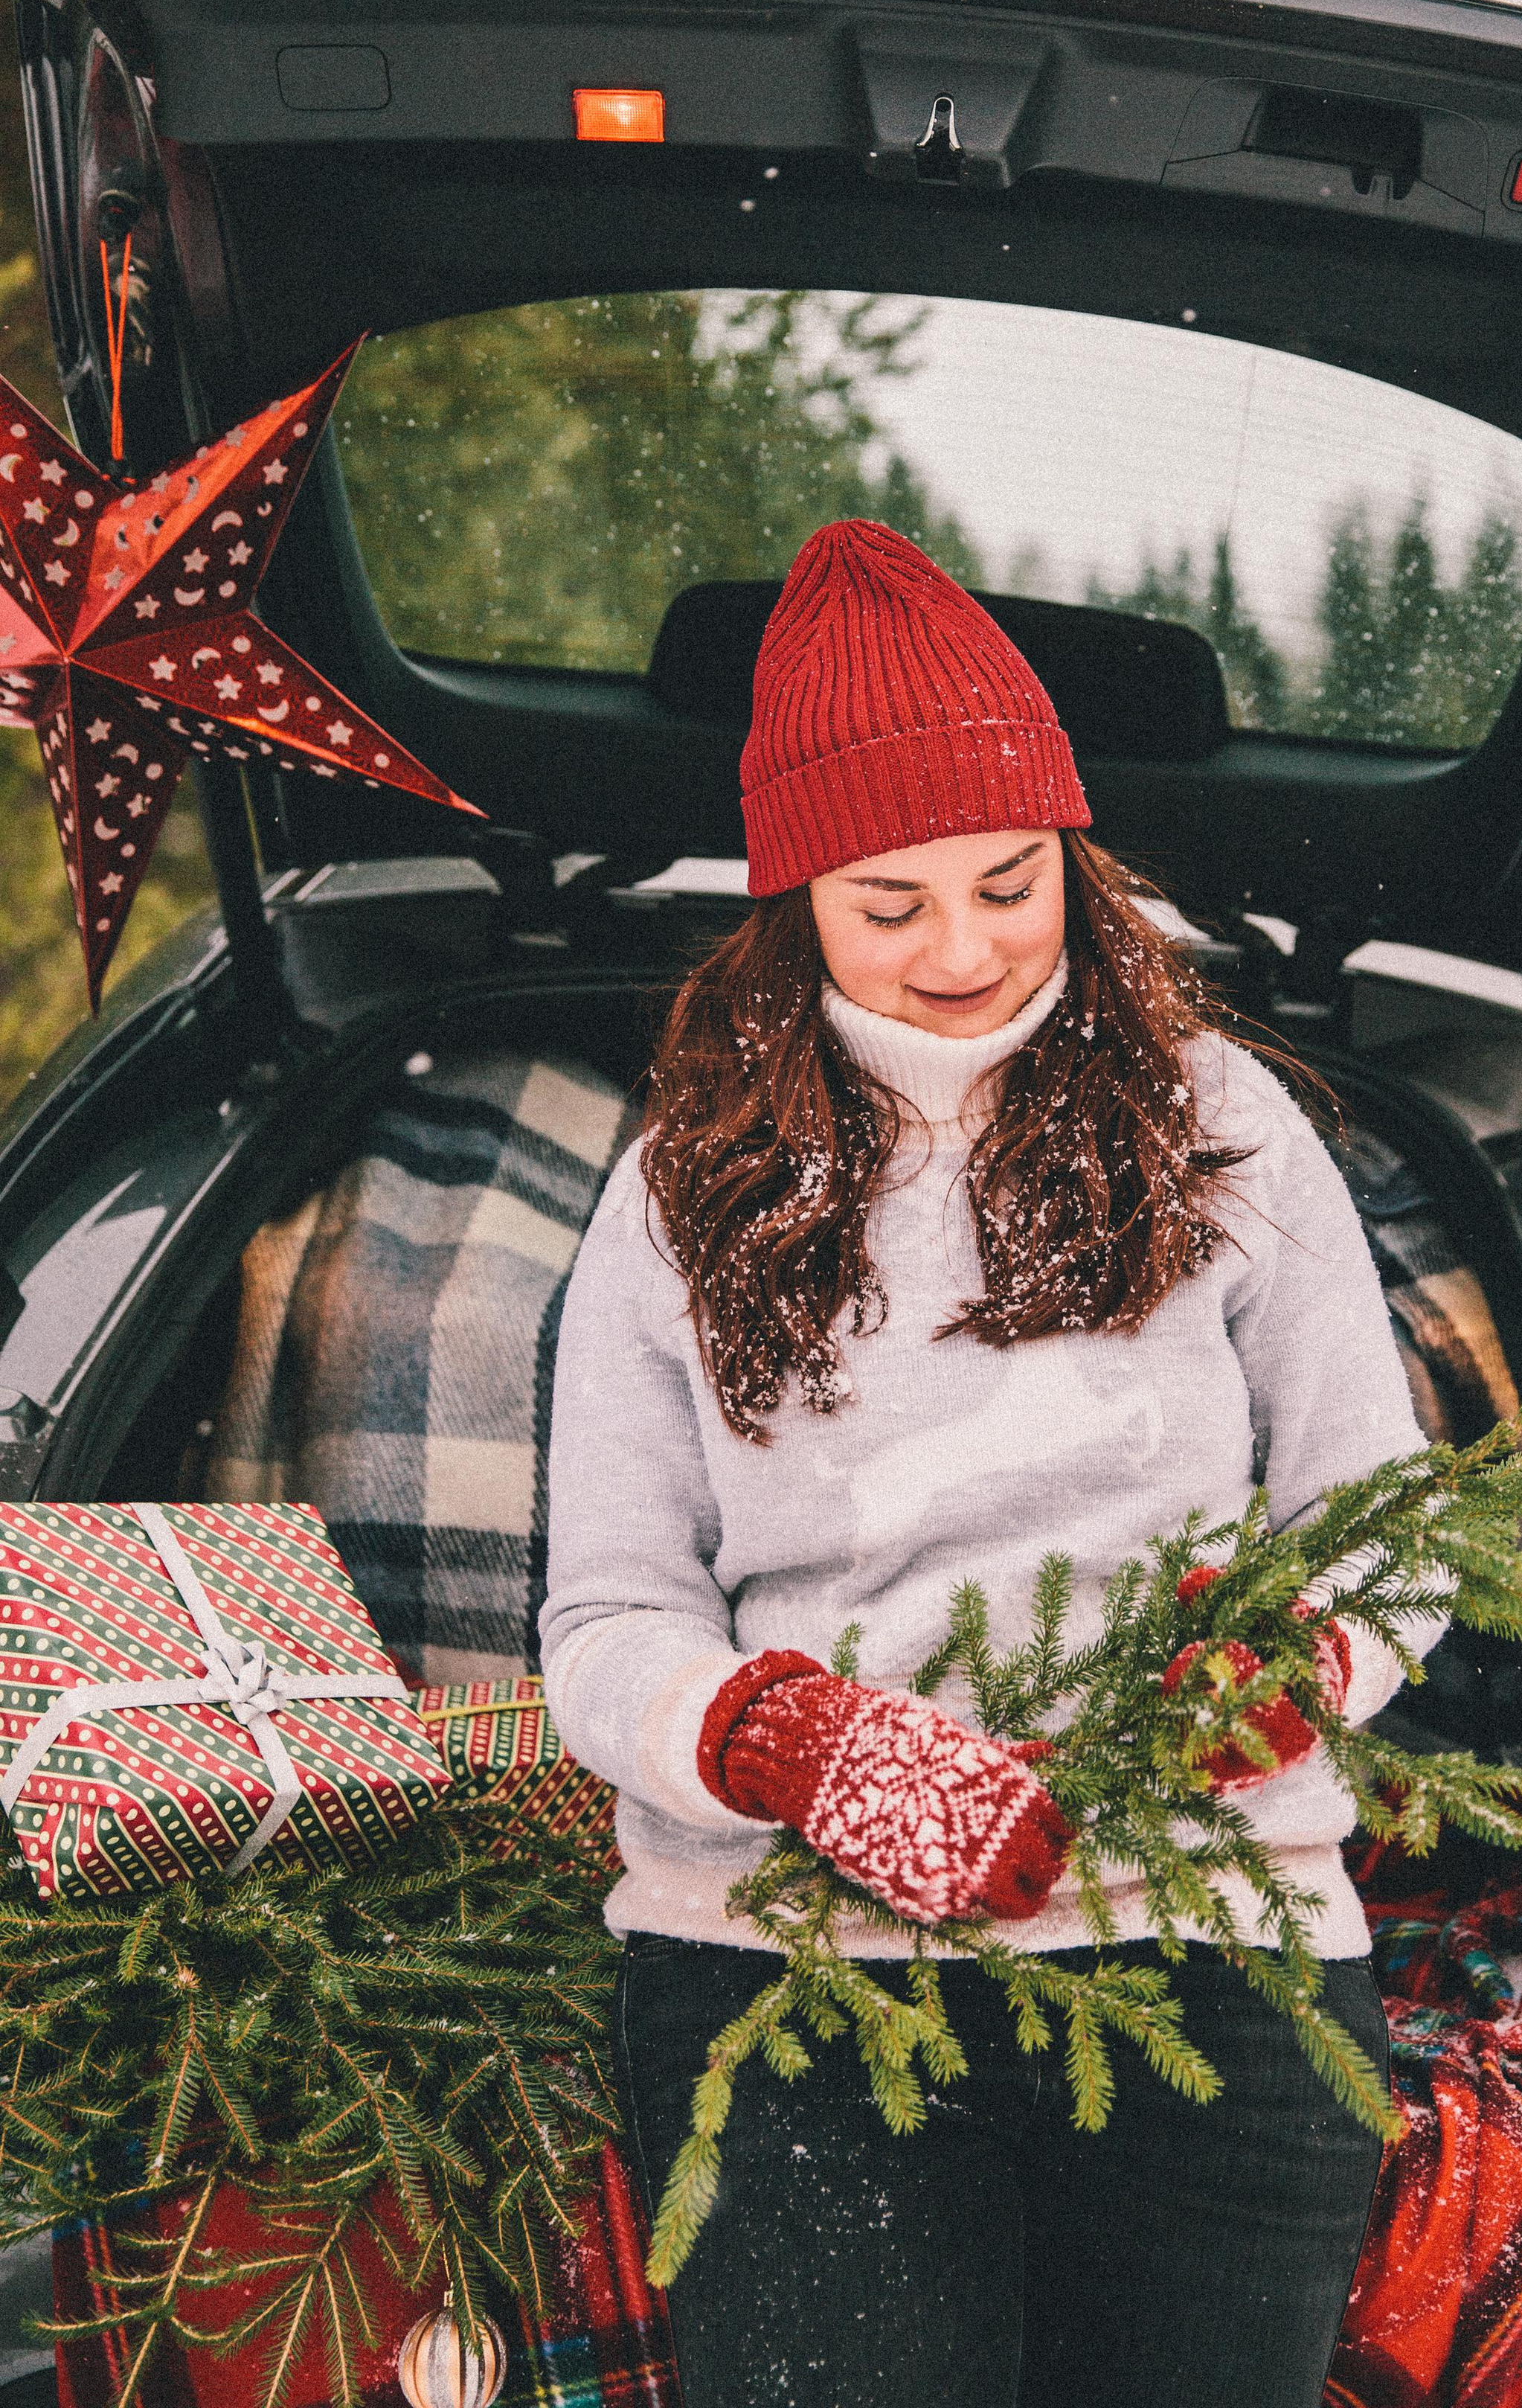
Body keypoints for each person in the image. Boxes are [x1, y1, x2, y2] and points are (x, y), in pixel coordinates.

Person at [541, 520, 1440, 2407]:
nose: (959, 950)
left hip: (1220, 1969)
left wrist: (1291, 1674)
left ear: (1073, 861)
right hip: (789, 1995)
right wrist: (792, 1744)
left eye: (1007, 881)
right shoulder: (680, 1189)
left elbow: (1384, 1526)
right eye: (888, 903)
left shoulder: (1226, 1129)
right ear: (790, 902)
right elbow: (607, 1623)